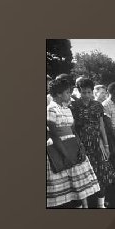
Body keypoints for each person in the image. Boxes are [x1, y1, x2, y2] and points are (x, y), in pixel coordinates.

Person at [46, 76, 100, 208]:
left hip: (73, 148)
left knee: (80, 187)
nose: (70, 95)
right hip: (59, 151)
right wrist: (65, 155)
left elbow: (73, 131)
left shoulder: (67, 109)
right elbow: (54, 135)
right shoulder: (51, 109)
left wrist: (80, 148)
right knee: (65, 187)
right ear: (59, 94)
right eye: (67, 92)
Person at [69, 78, 115, 208]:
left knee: (101, 175)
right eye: (84, 92)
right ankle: (84, 206)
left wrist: (106, 146)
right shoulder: (73, 106)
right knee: (82, 177)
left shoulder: (97, 105)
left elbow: (101, 126)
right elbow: (73, 128)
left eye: (89, 92)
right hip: (81, 146)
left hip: (97, 145)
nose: (87, 95)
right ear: (79, 92)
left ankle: (101, 205)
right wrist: (78, 146)